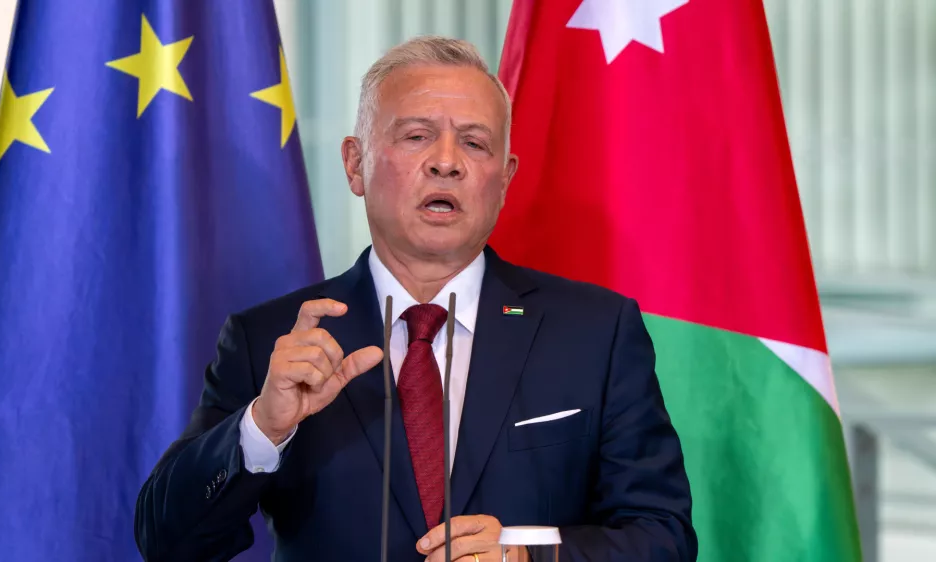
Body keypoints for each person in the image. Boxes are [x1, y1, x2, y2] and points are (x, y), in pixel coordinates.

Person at [134, 35, 697, 562]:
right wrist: (264, 427)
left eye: (475, 143)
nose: (447, 161)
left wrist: (528, 556)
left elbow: (663, 535)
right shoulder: (273, 340)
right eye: (417, 135)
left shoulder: (595, 332)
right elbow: (168, 541)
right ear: (356, 164)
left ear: (504, 178)